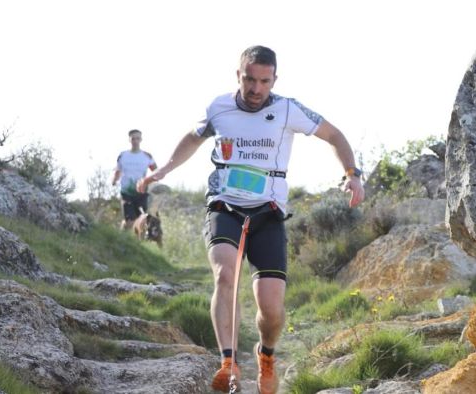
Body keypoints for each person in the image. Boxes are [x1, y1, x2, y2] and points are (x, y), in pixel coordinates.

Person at [137, 45, 364, 393]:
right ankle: (228, 363)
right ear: (238, 75)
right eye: (249, 79)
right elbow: (194, 137)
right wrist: (165, 168)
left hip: (268, 214)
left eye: (264, 81)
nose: (256, 89)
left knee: (271, 309)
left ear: (274, 79)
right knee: (225, 273)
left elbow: (334, 135)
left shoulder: (288, 109)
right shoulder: (219, 107)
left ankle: (266, 354)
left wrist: (352, 173)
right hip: (224, 205)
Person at [112, 129, 158, 230]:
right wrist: (114, 180)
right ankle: (126, 238)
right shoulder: (123, 156)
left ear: (141, 139)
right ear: (129, 140)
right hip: (126, 192)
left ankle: (129, 236)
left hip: (142, 192)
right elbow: (118, 171)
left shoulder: (147, 156)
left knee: (141, 219)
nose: (135, 141)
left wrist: (152, 181)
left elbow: (155, 170)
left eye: (138, 138)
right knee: (130, 220)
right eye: (133, 138)